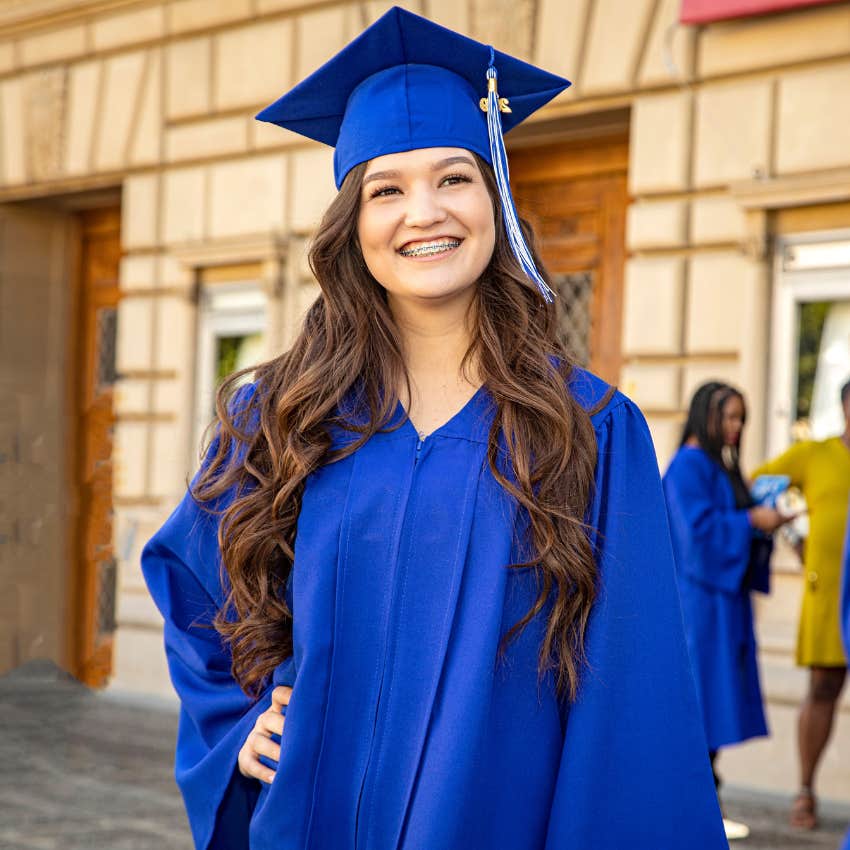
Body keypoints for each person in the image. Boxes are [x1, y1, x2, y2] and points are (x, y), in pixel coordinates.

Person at [141, 8, 727, 849]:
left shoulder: (590, 432)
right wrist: (239, 730)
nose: (424, 213)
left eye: (454, 178)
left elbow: (630, 701)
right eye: (387, 189)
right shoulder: (276, 419)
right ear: (354, 223)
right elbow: (195, 589)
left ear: (495, 197)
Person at [663, 384, 790, 815]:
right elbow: (696, 536)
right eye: (730, 417)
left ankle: (704, 802)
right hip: (698, 607)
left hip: (724, 605)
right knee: (699, 704)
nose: (736, 427)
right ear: (707, 414)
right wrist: (752, 518)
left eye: (741, 418)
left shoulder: (719, 467)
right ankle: (689, 808)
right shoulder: (687, 467)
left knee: (715, 706)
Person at [753, 379, 850, 829]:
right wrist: (791, 536)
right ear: (845, 407)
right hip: (828, 591)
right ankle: (806, 791)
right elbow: (760, 485)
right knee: (823, 689)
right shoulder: (817, 454)